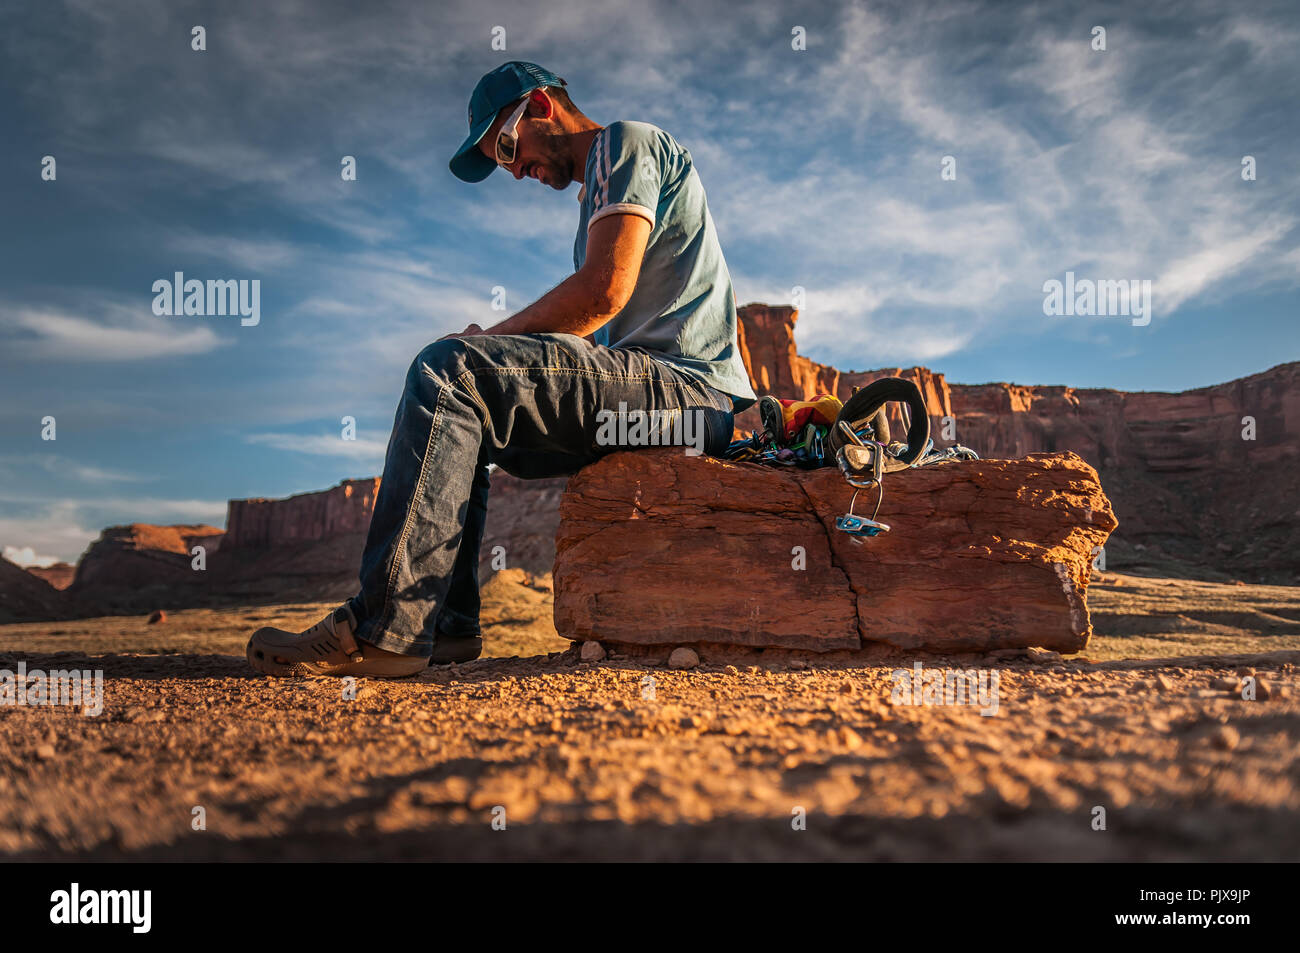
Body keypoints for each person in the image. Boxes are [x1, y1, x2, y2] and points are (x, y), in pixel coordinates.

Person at [246, 61, 756, 677]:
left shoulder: (627, 142)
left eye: (508, 148)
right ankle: (444, 627)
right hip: (665, 404)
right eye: (502, 161)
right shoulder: (599, 186)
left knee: (449, 373)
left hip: (688, 397)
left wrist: (486, 342)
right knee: (472, 416)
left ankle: (387, 631)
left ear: (542, 105)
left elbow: (602, 294)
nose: (514, 170)